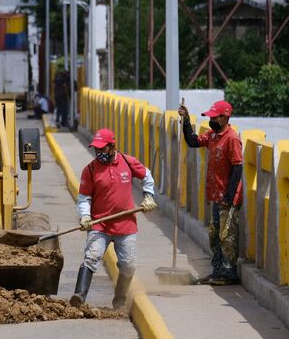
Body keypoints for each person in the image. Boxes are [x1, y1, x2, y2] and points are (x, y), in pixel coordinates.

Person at [70, 128, 157, 310]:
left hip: (125, 224)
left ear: (112, 146)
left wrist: (148, 196)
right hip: (99, 224)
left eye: (103, 149)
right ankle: (79, 296)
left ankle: (119, 299)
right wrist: (85, 215)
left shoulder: (128, 162)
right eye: (96, 149)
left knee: (128, 265)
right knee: (91, 257)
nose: (99, 153)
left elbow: (147, 176)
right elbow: (84, 198)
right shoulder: (91, 169)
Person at [178, 100, 243, 285]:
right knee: (215, 234)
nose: (211, 120)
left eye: (215, 117)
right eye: (211, 117)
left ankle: (229, 274)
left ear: (225, 117)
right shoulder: (212, 136)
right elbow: (192, 141)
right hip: (216, 195)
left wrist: (229, 198)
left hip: (228, 197)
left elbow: (238, 168)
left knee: (227, 235)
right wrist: (186, 120)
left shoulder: (232, 138)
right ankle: (217, 271)